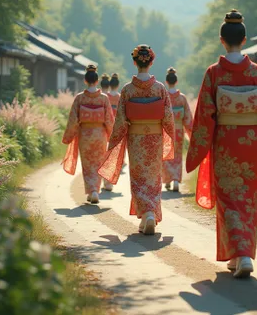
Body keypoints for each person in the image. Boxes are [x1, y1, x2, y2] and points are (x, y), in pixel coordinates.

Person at [186, 10, 257, 279]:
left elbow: (204, 115)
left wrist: (197, 150)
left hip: (225, 142)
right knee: (247, 199)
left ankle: (241, 255)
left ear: (222, 41)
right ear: (245, 39)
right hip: (251, 143)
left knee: (228, 199)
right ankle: (241, 254)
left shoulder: (214, 73)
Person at [99, 45, 175, 235]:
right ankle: (150, 214)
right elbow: (168, 118)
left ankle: (146, 214)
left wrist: (114, 141)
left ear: (135, 62)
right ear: (151, 62)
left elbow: (121, 121)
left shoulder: (128, 90)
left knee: (139, 177)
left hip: (136, 140)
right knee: (153, 177)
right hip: (155, 139)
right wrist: (170, 137)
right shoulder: (160, 89)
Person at [62, 65, 115, 204]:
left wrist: (68, 137)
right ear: (97, 81)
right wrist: (113, 136)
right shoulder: (103, 99)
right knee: (98, 162)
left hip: (85, 135)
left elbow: (73, 120)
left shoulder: (79, 98)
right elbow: (109, 120)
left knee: (87, 164)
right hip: (100, 135)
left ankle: (91, 191)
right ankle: (96, 191)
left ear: (85, 81)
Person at [163, 67, 193, 192]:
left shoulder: (163, 97)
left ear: (166, 82)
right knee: (178, 155)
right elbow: (188, 119)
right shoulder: (182, 98)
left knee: (166, 155)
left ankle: (168, 180)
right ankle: (175, 179)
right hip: (179, 131)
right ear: (176, 81)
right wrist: (191, 133)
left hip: (166, 130)